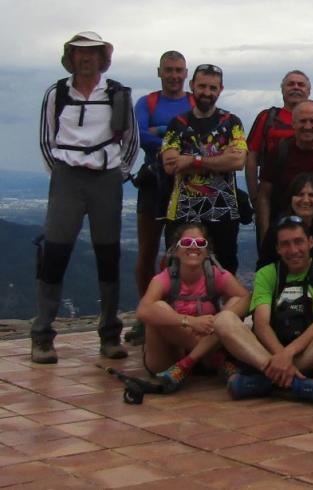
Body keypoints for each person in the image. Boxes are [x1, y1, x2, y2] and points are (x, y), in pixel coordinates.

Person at [33, 31, 139, 363]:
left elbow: (131, 140)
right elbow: (46, 139)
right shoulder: (57, 94)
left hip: (105, 178)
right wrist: (62, 174)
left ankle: (110, 334)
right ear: (71, 57)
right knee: (55, 253)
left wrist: (117, 173)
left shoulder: (117, 94)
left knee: (108, 256)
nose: (86, 57)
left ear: (102, 57)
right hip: (67, 176)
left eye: (92, 52)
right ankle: (42, 336)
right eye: (80, 52)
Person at [215, 216, 313, 405]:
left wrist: (287, 355)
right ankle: (296, 384)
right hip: (272, 350)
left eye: (299, 242)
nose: (293, 250)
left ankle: (267, 380)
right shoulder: (267, 273)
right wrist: (281, 355)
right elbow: (261, 324)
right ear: (278, 248)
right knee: (224, 319)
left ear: (311, 242)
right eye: (285, 244)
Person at [127, 50, 195, 346]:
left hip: (188, 183)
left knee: (179, 251)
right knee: (147, 251)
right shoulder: (148, 102)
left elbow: (201, 135)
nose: (174, 75)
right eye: (169, 69)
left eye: (179, 70)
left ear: (186, 73)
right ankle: (146, 316)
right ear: (159, 72)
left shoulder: (194, 101)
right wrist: (176, 135)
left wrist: (162, 131)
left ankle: (173, 315)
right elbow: (139, 134)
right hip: (154, 183)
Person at [136, 224, 250, 391]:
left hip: (201, 349)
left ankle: (192, 362)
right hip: (169, 357)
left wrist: (219, 320)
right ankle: (214, 358)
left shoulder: (217, 275)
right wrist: (190, 321)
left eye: (200, 243)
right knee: (158, 307)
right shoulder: (164, 278)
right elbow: (143, 311)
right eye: (187, 242)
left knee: (235, 303)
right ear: (175, 250)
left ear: (207, 251)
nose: (193, 247)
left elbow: (246, 300)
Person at [161, 64, 247, 274]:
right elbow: (171, 165)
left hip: (223, 211)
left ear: (220, 89)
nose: (207, 93)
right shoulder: (177, 123)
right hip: (182, 211)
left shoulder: (231, 122)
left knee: (224, 270)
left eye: (212, 88)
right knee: (176, 270)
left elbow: (237, 162)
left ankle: (225, 309)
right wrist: (219, 159)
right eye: (202, 86)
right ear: (191, 86)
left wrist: (192, 161)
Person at [256, 100, 313, 243]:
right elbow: (264, 196)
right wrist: (266, 236)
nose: (308, 126)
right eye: (302, 121)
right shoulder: (279, 153)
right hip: (285, 233)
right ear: (293, 124)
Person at [245, 70, 311, 205]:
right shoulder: (267, 118)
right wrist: (254, 196)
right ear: (282, 90)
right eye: (291, 84)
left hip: (309, 193)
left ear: (308, 91)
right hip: (272, 194)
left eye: (301, 84)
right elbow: (251, 156)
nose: (296, 87)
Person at [257, 172, 313, 269]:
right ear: (291, 199)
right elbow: (263, 267)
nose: (306, 200)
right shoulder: (276, 230)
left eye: (312, 195)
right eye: (300, 194)